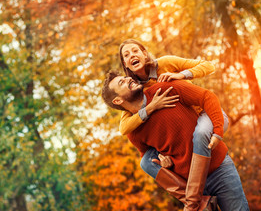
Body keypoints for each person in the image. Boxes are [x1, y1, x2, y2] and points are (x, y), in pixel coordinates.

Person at [101, 71, 249, 211]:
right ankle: (192, 200)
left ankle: (191, 203)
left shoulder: (165, 89)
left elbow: (206, 97)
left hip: (219, 171)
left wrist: (217, 130)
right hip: (190, 184)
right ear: (118, 100)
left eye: (125, 77)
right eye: (122, 82)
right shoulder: (133, 131)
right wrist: (165, 165)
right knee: (144, 162)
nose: (128, 78)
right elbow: (149, 158)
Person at [118, 39, 229, 207]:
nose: (131, 55)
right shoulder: (135, 90)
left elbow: (208, 66)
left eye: (135, 51)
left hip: (207, 115)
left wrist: (181, 75)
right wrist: (150, 108)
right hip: (184, 135)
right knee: (145, 162)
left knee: (200, 134)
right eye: (126, 55)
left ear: (144, 53)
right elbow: (124, 127)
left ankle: (192, 203)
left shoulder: (165, 63)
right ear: (125, 64)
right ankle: (198, 201)